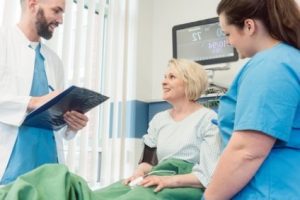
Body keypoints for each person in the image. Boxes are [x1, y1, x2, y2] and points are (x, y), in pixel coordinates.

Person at [203, 0, 300, 199]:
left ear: (249, 26)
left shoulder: (270, 66)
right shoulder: (288, 60)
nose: (229, 42)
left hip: (268, 191)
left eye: (228, 34)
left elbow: (246, 152)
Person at [93, 58, 222, 200]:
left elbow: (208, 175)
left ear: (190, 83)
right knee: (100, 195)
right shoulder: (159, 119)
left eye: (172, 77)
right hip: (157, 177)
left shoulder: (208, 119)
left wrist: (167, 181)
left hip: (186, 186)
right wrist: (138, 173)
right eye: (165, 77)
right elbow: (148, 163)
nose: (164, 82)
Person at [0, 0, 89, 185]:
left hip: (50, 170)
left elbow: (56, 121)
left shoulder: (54, 61)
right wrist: (33, 101)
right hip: (10, 170)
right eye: (56, 11)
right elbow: (35, 103)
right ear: (33, 4)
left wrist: (72, 124)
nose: (60, 20)